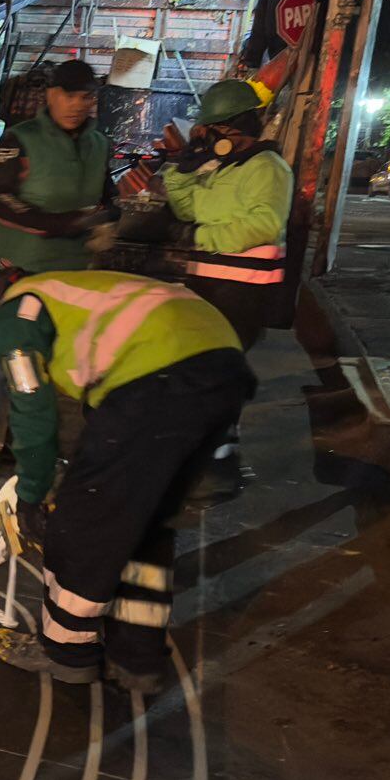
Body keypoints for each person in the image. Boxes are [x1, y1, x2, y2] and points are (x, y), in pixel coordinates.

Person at [0, 251, 254, 694]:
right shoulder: (60, 288)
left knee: (79, 525)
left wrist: (33, 493)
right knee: (144, 526)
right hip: (221, 363)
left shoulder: (14, 316)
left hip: (157, 381)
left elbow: (32, 411)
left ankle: (66, 651)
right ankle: (137, 659)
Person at [0, 59, 118, 465]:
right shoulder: (21, 139)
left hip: (75, 276)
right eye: (69, 95)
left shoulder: (99, 144)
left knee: (49, 365)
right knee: (4, 358)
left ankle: (21, 445)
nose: (77, 104)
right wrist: (62, 224)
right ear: (51, 95)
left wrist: (105, 219)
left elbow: (108, 197)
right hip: (23, 271)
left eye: (85, 97)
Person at [160, 78, 291, 492]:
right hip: (207, 285)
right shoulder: (220, 167)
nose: (207, 136)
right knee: (202, 369)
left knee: (218, 371)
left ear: (239, 125)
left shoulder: (268, 168)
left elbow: (264, 224)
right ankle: (208, 450)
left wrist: (201, 237)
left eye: (213, 128)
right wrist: (183, 168)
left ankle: (220, 462)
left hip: (243, 291)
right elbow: (186, 207)